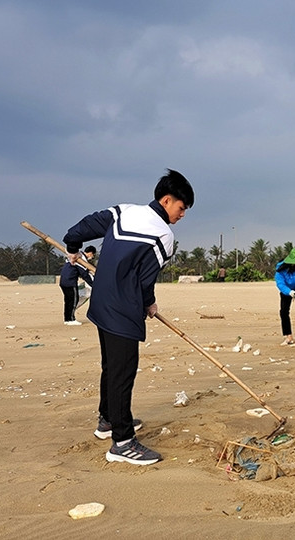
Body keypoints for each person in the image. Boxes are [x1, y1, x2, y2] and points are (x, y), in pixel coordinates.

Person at [63, 169, 194, 465]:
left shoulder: (123, 212)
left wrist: (72, 247)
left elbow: (83, 228)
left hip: (101, 304)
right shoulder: (164, 235)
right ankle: (122, 442)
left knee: (111, 367)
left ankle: (108, 419)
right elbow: (146, 279)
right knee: (123, 374)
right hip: (123, 310)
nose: (182, 214)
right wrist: (149, 303)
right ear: (167, 199)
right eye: (181, 208)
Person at [274, 248, 295, 346]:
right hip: (286, 290)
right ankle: (288, 336)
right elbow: (280, 283)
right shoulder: (280, 268)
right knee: (284, 312)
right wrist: (289, 292)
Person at [59, 245, 96, 325]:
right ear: (90, 253)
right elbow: (84, 274)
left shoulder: (75, 255)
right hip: (70, 282)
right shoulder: (81, 259)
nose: (92, 257)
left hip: (63, 281)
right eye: (92, 255)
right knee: (73, 301)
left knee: (68, 301)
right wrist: (94, 285)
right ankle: (71, 319)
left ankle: (67, 319)